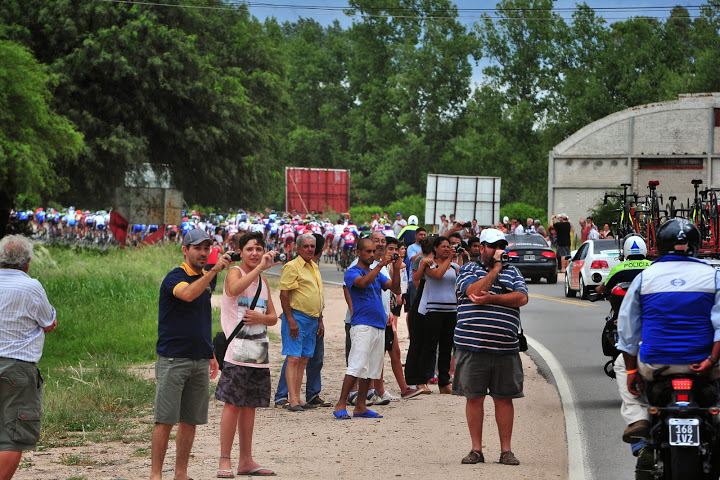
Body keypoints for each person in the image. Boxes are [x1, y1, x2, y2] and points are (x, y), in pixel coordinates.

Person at [617, 219, 720, 478]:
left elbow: (627, 333)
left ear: (661, 247)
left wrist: (632, 373)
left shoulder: (645, 278)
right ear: (695, 247)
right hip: (704, 363)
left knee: (621, 362)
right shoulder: (713, 276)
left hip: (656, 364)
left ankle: (638, 418)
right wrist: (711, 360)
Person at [151, 228, 231, 480]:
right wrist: (214, 271)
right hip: (174, 358)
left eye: (207, 248)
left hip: (198, 358)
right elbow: (187, 294)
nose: (203, 252)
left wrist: (210, 353)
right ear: (185, 250)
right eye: (197, 248)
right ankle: (155, 475)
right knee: (165, 420)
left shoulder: (207, 276)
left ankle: (181, 474)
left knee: (190, 420)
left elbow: (202, 319)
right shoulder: (174, 277)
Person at [454, 228, 528, 466]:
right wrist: (495, 270)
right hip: (472, 345)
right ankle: (476, 450)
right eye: (492, 246)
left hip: (506, 347)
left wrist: (493, 298)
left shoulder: (514, 271)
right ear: (482, 248)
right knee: (474, 398)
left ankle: (506, 451)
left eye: (501, 246)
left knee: (505, 398)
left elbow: (522, 298)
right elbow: (473, 291)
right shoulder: (468, 269)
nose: (498, 250)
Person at [216, 232, 278, 478]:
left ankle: (246, 460)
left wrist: (261, 318)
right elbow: (232, 291)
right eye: (250, 249)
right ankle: (224, 460)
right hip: (236, 352)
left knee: (250, 405)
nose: (255, 253)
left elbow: (273, 317)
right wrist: (259, 269)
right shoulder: (236, 273)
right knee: (232, 404)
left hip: (258, 352)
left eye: (259, 249)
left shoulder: (263, 283)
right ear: (240, 252)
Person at [0, 235, 57, 480]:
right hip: (17, 367)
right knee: (13, 436)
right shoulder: (30, 286)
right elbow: (49, 323)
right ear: (28, 262)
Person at [333, 238, 402, 419]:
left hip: (378, 325)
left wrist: (396, 268)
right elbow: (362, 283)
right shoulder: (352, 272)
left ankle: (361, 406)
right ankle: (341, 403)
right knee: (356, 366)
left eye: (374, 251)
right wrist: (380, 266)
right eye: (368, 252)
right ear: (359, 253)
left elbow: (395, 288)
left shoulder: (377, 272)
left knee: (371, 370)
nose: (372, 255)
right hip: (362, 325)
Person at [274, 234, 331, 408]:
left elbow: (317, 295)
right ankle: (292, 400)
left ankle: (299, 398)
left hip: (312, 319)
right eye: (305, 246)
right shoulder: (292, 267)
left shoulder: (313, 266)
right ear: (298, 248)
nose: (309, 249)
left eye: (312, 246)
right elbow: (284, 295)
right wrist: (290, 320)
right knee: (293, 358)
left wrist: (319, 319)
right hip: (297, 318)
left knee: (304, 359)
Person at [416, 236, 460, 394]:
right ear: (435, 248)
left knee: (446, 349)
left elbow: (460, 281)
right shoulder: (430, 264)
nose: (447, 249)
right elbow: (438, 275)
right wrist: (449, 259)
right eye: (443, 246)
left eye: (449, 246)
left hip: (450, 312)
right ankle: (421, 381)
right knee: (429, 347)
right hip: (433, 311)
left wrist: (460, 258)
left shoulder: (454, 265)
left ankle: (443, 382)